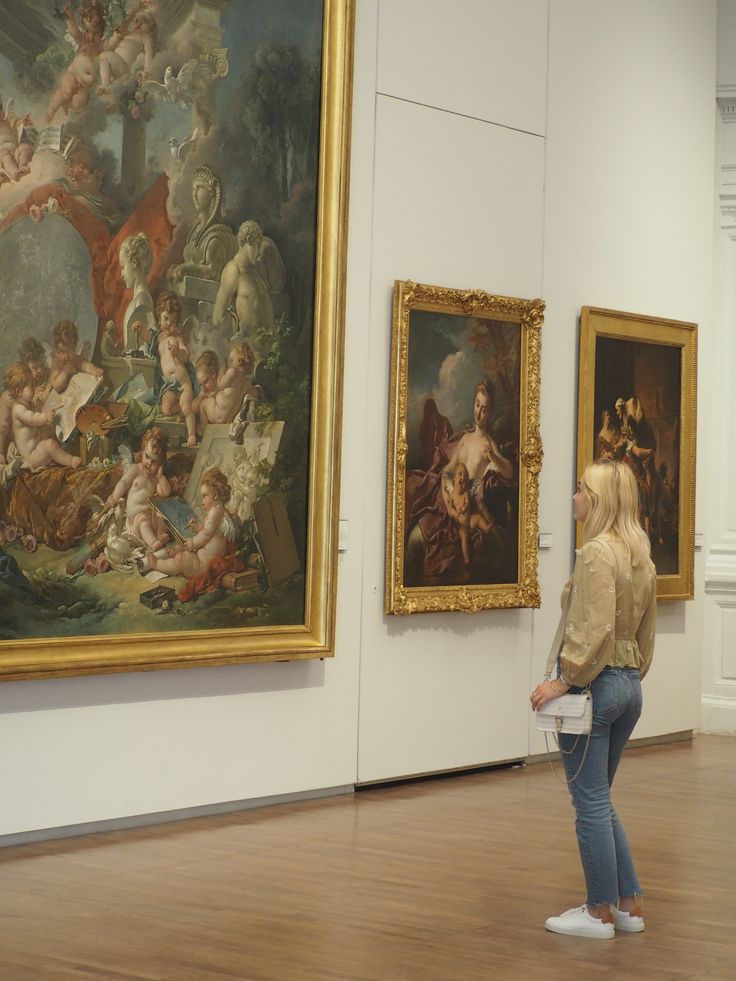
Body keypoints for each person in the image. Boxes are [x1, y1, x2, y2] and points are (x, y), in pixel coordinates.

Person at [530, 459, 657, 939]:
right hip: (629, 686)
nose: (575, 497)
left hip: (595, 686)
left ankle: (598, 911)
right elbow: (644, 636)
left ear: (599, 500)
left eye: (581, 489)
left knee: (589, 804)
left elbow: (595, 627)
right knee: (600, 798)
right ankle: (628, 903)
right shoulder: (639, 553)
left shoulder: (597, 553)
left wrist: (563, 681)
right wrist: (629, 675)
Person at [146, 467, 235, 578]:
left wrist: (193, 542)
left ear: (216, 495)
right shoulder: (218, 510)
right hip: (201, 558)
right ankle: (173, 553)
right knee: (180, 547)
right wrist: (198, 527)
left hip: (202, 566)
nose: (202, 501)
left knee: (181, 559)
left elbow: (206, 534)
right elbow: (209, 531)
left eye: (204, 496)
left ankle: (158, 565)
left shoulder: (215, 513)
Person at [168, 165, 237, 286]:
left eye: (200, 188)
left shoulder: (216, 238)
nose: (194, 194)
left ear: (212, 193)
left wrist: (188, 269)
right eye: (193, 188)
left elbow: (213, 272)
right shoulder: (196, 231)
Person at [106, 426, 171, 549]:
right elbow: (124, 483)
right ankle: (153, 543)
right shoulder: (136, 469)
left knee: (162, 517)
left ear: (160, 464)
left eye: (154, 462)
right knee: (143, 522)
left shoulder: (156, 479)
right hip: (135, 519)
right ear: (142, 450)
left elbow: (165, 492)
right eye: (147, 456)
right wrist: (114, 497)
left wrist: (161, 476)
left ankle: (160, 535)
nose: (149, 463)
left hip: (150, 515)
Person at [6, 363, 82, 469]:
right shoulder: (18, 409)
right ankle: (70, 461)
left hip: (36, 446)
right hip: (31, 455)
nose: (34, 388)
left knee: (50, 434)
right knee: (50, 445)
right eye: (31, 386)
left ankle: (60, 455)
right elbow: (31, 418)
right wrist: (45, 417)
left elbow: (36, 407)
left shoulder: (25, 402)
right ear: (19, 391)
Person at [46, 1, 106, 122]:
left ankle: (66, 107)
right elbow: (74, 32)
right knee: (67, 91)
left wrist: (119, 35)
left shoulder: (100, 48)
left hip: (84, 85)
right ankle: (50, 110)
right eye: (87, 31)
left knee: (79, 103)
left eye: (95, 33)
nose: (90, 36)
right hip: (73, 74)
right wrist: (70, 19)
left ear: (102, 33)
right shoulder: (83, 41)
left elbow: (113, 45)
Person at [213, 220, 274, 336]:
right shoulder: (233, 269)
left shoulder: (258, 269)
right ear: (248, 243)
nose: (258, 253)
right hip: (246, 344)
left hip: (267, 343)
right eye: (257, 246)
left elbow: (266, 303)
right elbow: (218, 316)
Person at [49, 319, 103, 394]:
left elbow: (85, 365)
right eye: (61, 352)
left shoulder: (76, 360)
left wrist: (94, 370)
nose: (66, 356)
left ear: (75, 347)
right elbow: (57, 387)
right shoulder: (57, 363)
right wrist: (65, 372)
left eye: (69, 351)